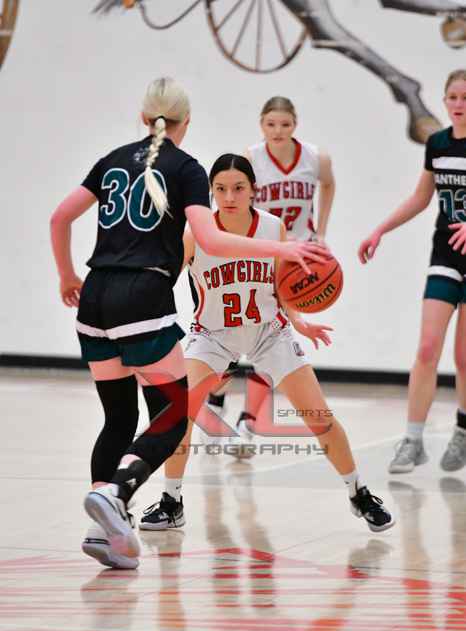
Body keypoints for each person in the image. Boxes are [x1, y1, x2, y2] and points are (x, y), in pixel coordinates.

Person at [50, 77, 327, 569]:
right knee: (175, 414)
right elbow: (212, 240)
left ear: (144, 118)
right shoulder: (186, 168)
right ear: (187, 121)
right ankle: (117, 493)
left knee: (118, 419)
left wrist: (67, 275)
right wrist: (280, 247)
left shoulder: (113, 159)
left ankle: (101, 530)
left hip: (93, 299)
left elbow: (59, 218)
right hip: (141, 299)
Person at [140, 153, 395, 534]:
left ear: (253, 191)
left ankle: (359, 493)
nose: (229, 196)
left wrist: (300, 321)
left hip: (268, 331)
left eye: (238, 188)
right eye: (220, 189)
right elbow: (162, 283)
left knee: (319, 417)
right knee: (179, 415)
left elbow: (282, 284)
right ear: (211, 192)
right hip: (212, 335)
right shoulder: (196, 234)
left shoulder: (273, 227)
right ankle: (171, 501)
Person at [205, 96, 336, 444]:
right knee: (230, 331)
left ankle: (248, 421)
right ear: (261, 124)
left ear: (296, 124)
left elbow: (328, 184)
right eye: (271, 124)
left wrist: (321, 232)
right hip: (257, 253)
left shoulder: (316, 158)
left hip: (295, 261)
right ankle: (216, 398)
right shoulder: (251, 158)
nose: (278, 131)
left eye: (285, 124)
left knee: (273, 339)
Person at [358, 69, 466, 474]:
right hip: (446, 255)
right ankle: (413, 440)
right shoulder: (437, 143)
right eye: (453, 97)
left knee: (464, 356)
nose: (458, 104)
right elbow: (422, 197)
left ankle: (462, 431)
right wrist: (379, 230)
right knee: (426, 347)